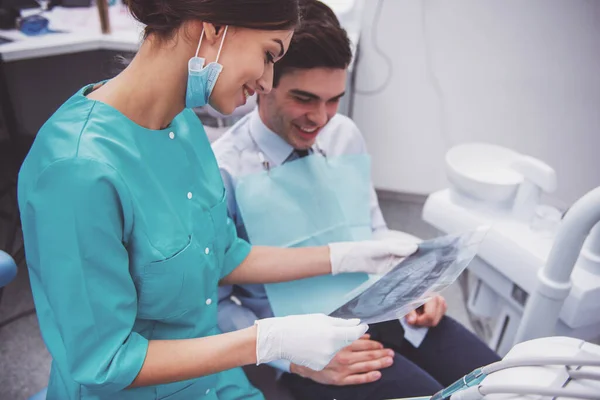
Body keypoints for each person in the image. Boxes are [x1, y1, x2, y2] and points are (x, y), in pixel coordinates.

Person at [16, 1, 419, 399]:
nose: (266, 81)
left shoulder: (183, 126)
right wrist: (268, 342)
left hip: (215, 383)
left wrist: (351, 256)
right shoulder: (77, 169)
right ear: (211, 30)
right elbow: (104, 362)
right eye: (267, 55)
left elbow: (227, 256)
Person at [214, 1, 501, 399]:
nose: (322, 117)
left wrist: (415, 289)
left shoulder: (343, 135)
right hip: (305, 343)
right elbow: (214, 304)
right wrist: (290, 355)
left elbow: (372, 229)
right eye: (305, 99)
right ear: (265, 81)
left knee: (504, 384)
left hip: (382, 310)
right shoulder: (223, 171)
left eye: (333, 100)